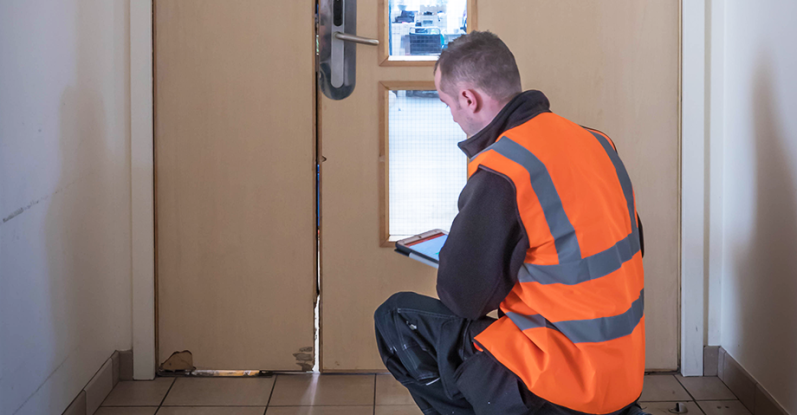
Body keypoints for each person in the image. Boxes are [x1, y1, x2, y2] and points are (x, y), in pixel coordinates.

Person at [374, 31, 647, 415]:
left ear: (469, 99)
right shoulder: (596, 142)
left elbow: (463, 300)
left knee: (396, 318)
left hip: (559, 383)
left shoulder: (505, 170)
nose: (451, 115)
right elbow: (620, 247)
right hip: (621, 375)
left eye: (447, 103)